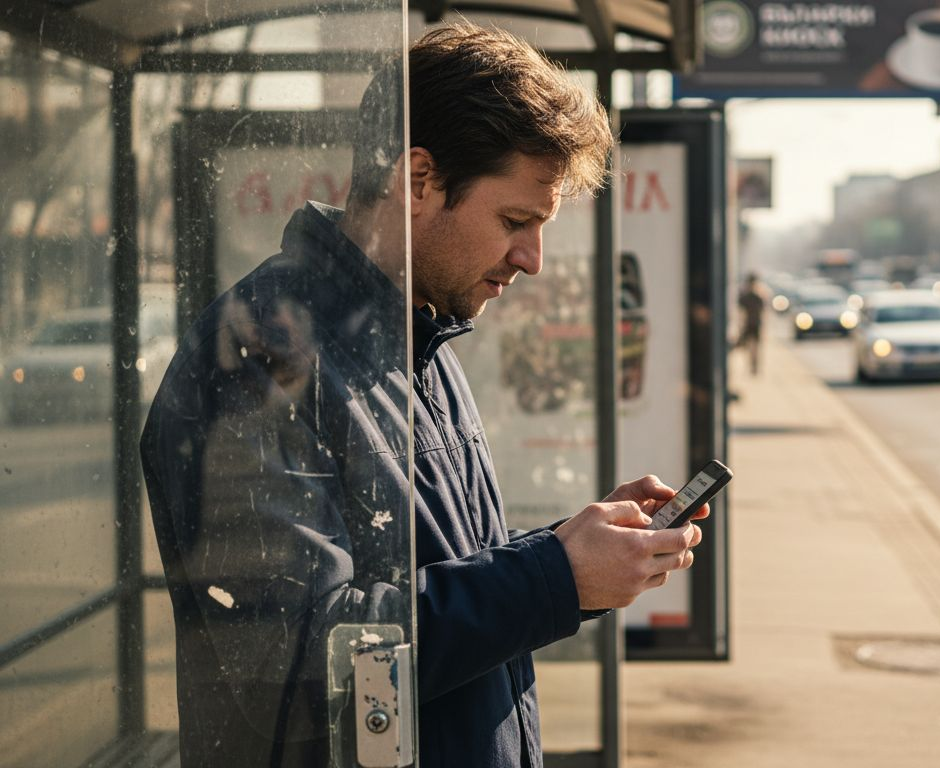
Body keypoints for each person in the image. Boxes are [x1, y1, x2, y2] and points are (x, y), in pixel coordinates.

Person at [140, 24, 707, 768]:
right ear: (417, 180)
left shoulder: (420, 334)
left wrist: (573, 552)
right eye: (515, 222)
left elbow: (437, 570)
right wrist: (553, 578)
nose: (532, 259)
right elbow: (300, 664)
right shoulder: (259, 359)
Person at [736, 272, 768, 375]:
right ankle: (753, 365)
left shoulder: (752, 295)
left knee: (753, 346)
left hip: (752, 323)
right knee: (752, 346)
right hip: (752, 323)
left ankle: (753, 365)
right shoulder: (755, 295)